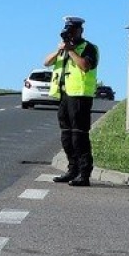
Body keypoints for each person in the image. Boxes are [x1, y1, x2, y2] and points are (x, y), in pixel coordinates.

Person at [43, 15, 99, 186]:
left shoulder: (88, 48)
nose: (70, 34)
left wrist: (71, 50)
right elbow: (46, 62)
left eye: (73, 30)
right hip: (64, 97)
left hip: (80, 97)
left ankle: (84, 173)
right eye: (68, 31)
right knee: (66, 136)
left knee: (79, 137)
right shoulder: (64, 49)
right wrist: (61, 49)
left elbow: (84, 66)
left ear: (81, 30)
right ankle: (72, 169)